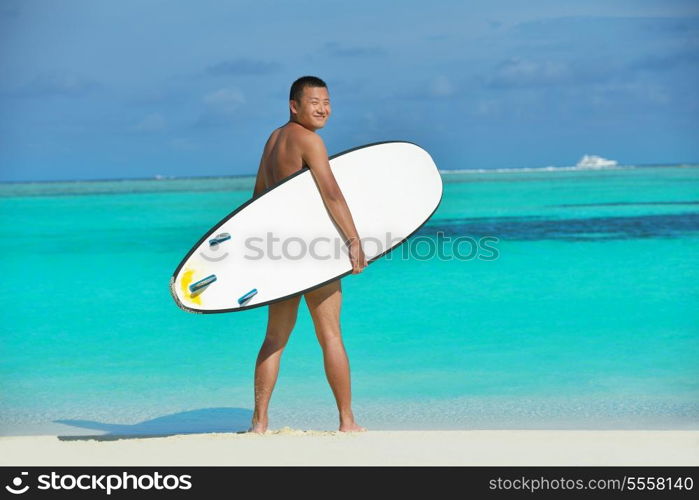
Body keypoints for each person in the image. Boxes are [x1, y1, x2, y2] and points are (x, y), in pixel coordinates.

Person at [248, 76, 367, 433]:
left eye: (327, 102)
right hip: (310, 253)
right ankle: (347, 422)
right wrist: (353, 239)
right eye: (314, 102)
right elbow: (331, 193)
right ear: (294, 105)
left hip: (279, 251)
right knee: (330, 335)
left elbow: (256, 197)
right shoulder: (310, 141)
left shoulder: (273, 139)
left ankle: (259, 422)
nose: (322, 109)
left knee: (274, 339)